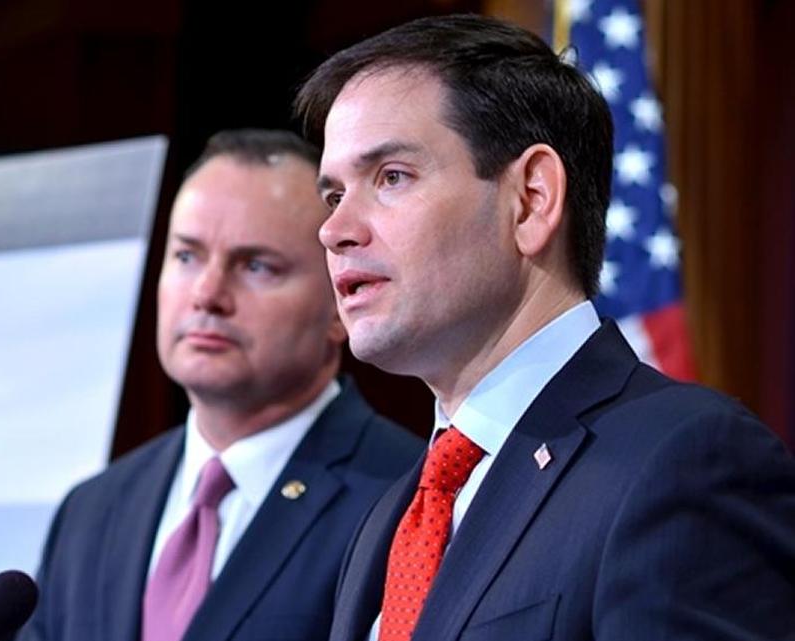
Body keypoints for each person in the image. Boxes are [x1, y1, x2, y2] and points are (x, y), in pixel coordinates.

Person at [293, 14, 795, 641]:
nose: (334, 230)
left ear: (531, 199)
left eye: (392, 177)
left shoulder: (684, 460)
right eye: (335, 195)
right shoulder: (389, 519)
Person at [18, 129, 424, 641]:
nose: (207, 295)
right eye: (187, 257)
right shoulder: (92, 511)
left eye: (256, 266)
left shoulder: (405, 499)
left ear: (339, 302)